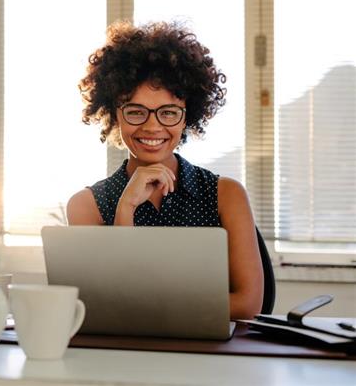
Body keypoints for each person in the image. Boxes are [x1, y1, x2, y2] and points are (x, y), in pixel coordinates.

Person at [67, 21, 263, 320]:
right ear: (115, 115)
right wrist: (126, 208)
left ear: (188, 117)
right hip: (125, 356)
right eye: (135, 111)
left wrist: (152, 307)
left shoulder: (227, 195)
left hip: (211, 355)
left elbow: (248, 303)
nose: (152, 126)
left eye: (168, 112)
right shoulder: (86, 205)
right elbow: (104, 301)